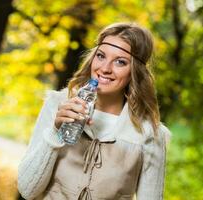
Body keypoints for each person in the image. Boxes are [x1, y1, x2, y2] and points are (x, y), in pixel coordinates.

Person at [18, 22, 171, 200]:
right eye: (100, 56)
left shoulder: (149, 134)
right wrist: (55, 132)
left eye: (120, 62)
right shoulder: (57, 105)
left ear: (135, 72)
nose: (105, 69)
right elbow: (27, 190)